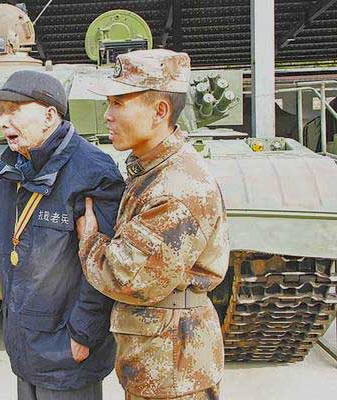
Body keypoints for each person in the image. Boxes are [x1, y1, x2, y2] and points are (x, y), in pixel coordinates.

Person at [0, 70, 125, 400]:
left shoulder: (93, 172)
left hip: (68, 349)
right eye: (1, 110)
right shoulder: (10, 167)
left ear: (48, 115)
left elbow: (106, 266)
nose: (3, 120)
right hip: (24, 343)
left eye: (14, 109)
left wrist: (83, 336)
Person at [76, 49, 230, 400]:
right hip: (160, 357)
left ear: (159, 111)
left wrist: (89, 241)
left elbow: (127, 278)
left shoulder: (175, 188)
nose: (108, 116)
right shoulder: (153, 171)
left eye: (119, 103)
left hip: (174, 367)